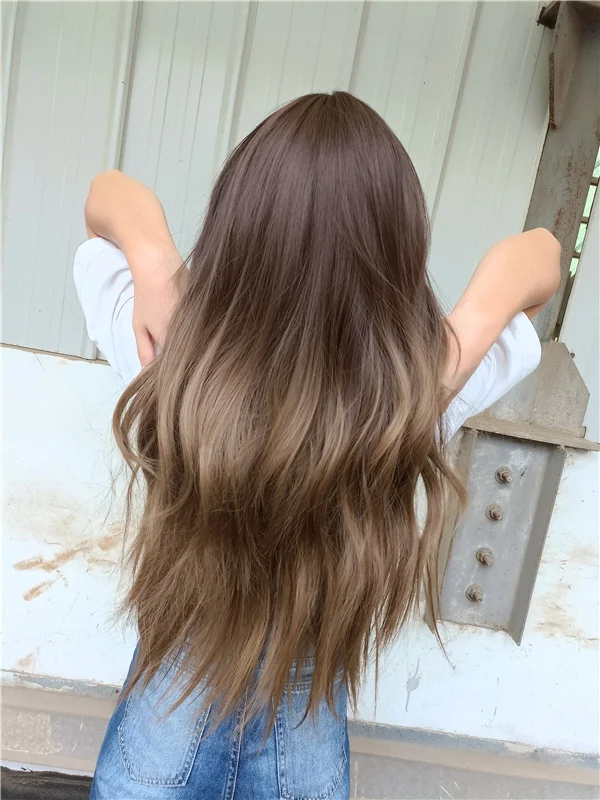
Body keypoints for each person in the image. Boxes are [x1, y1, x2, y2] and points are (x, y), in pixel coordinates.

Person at [75, 92, 560, 800]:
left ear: (238, 227)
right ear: (396, 255)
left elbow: (105, 195)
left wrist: (153, 263)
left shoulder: (169, 351)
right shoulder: (412, 396)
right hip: (302, 763)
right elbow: (542, 255)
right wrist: (456, 345)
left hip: (160, 738)